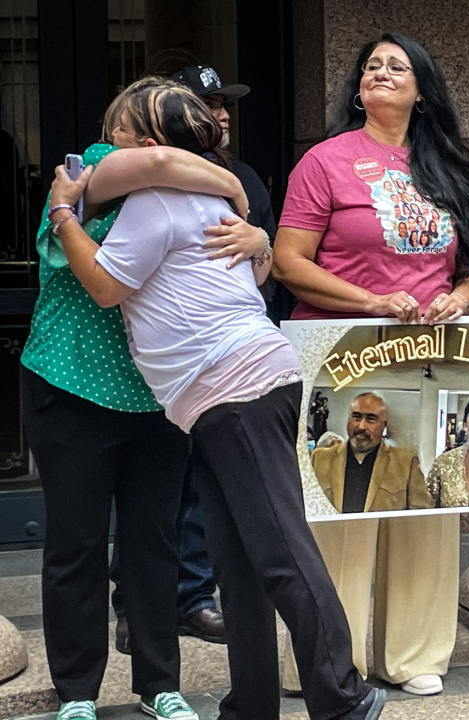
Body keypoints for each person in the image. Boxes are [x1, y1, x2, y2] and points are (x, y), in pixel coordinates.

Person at [47, 78, 384, 720]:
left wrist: (65, 214)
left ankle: (342, 697)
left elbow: (104, 286)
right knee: (240, 563)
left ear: (147, 143)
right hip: (230, 391)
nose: (105, 145)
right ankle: (249, 705)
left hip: (235, 388)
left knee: (282, 553)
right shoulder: (210, 197)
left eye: (118, 132)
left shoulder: (157, 201)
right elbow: (252, 270)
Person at [19, 75, 263, 720]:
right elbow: (157, 160)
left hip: (158, 393)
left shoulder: (188, 191)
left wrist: (257, 235)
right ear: (120, 132)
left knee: (152, 542)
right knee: (74, 545)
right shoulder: (93, 167)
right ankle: (76, 693)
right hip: (72, 383)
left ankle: (160, 683)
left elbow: (246, 269)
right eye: (136, 128)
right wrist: (233, 183)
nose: (147, 142)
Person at [272, 32, 469, 697]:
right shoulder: (325, 161)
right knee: (341, 506)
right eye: (372, 66)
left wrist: (457, 297)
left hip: (431, 356)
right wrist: (370, 300)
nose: (382, 73)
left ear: (422, 90)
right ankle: (329, 659)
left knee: (425, 500)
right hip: (344, 352)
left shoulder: (447, 164)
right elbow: (288, 261)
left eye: (398, 66)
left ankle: (414, 653)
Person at [111, 62, 274, 655]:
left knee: (206, 492)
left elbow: (261, 263)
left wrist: (262, 243)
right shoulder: (126, 170)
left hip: (227, 358)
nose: (222, 113)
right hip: (160, 364)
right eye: (208, 104)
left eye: (225, 103)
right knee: (153, 495)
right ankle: (136, 604)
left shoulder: (246, 175)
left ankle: (194, 597)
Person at [312, 392, 432, 512]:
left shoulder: (406, 464)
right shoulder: (319, 459)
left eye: (370, 419)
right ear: (348, 420)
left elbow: (421, 518)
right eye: (356, 417)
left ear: (384, 425)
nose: (361, 426)